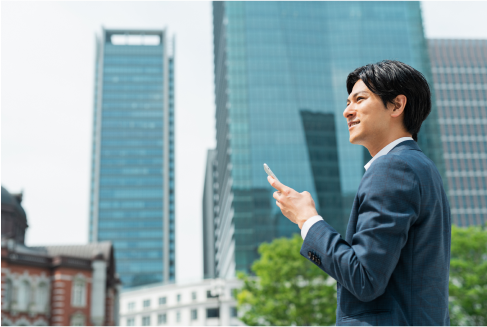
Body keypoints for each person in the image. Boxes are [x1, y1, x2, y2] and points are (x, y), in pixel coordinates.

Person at [268, 60, 451, 326]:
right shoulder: (421, 167)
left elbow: (364, 278)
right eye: (347, 102)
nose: (347, 111)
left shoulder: (393, 168)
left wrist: (307, 219)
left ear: (397, 105)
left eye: (359, 99)